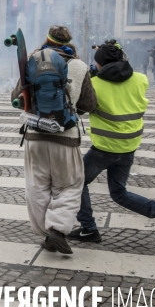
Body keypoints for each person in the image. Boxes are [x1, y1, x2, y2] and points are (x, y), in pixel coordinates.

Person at [67, 43, 155, 244]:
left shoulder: (95, 84)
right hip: (129, 145)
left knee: (76, 182)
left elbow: (82, 107)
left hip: (105, 148)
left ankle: (88, 228)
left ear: (100, 64)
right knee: (119, 193)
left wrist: (90, 77)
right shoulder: (141, 79)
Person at [11, 26, 97, 254]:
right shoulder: (79, 66)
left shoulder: (32, 61)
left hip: (34, 136)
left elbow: (15, 97)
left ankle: (45, 233)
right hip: (65, 137)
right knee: (69, 185)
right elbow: (89, 104)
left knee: (37, 186)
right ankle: (57, 230)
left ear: (47, 40)